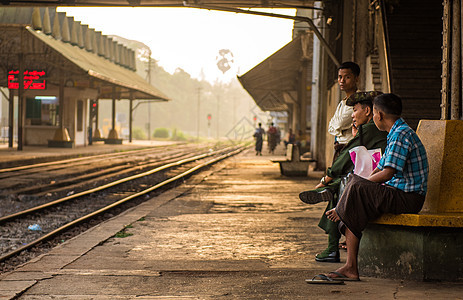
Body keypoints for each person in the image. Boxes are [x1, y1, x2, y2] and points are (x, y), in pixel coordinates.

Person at [324, 93, 429, 281]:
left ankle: (350, 265)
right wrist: (355, 187)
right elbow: (379, 169)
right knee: (355, 186)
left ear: (378, 115)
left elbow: (387, 173)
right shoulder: (394, 133)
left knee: (356, 187)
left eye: (373, 114)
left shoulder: (401, 135)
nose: (373, 117)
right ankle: (351, 267)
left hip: (408, 198)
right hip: (396, 192)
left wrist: (357, 187)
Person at [299, 91, 387, 263]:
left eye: (355, 110)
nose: (352, 115)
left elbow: (346, 155)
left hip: (380, 181)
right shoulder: (368, 130)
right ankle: (331, 191)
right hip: (374, 175)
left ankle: (332, 247)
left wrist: (327, 178)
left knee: (340, 188)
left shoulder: (370, 129)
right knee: (343, 185)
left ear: (368, 111)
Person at [329, 62, 360, 161]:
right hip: (339, 148)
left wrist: (337, 128)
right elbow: (330, 127)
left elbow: (338, 123)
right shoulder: (342, 102)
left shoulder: (358, 101)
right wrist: (338, 128)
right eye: (340, 77)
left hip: (349, 148)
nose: (342, 81)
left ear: (356, 79)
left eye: (347, 77)